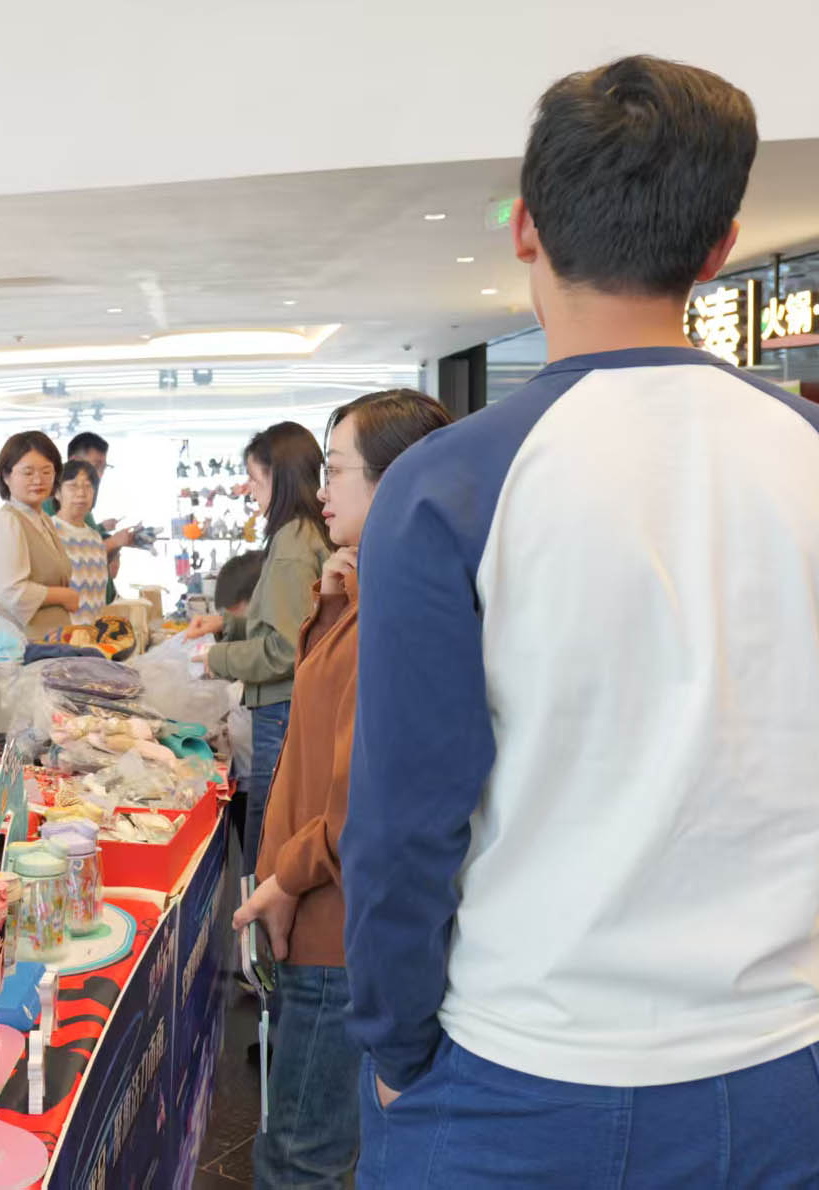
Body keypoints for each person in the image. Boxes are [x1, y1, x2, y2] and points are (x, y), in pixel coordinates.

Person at [342, 57, 819, 1187]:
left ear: (526, 227)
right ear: (719, 249)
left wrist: (396, 1038)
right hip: (777, 1072)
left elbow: (405, 817)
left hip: (513, 1066)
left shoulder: (449, 486)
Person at [232, 390, 451, 1189]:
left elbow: (367, 788)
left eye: (338, 471)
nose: (323, 491)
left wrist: (289, 877)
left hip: (338, 918)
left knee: (303, 1154)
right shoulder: (366, 590)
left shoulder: (401, 607)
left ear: (396, 480)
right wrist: (331, 601)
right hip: (323, 904)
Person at [185, 422, 330, 872]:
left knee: (267, 833)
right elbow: (288, 620)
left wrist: (217, 658)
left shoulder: (291, 545)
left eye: (255, 478)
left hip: (281, 709)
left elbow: (284, 648)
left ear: (279, 477)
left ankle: (259, 915)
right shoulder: (303, 533)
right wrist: (227, 625)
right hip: (292, 704)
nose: (250, 489)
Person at [0, 430, 79, 638]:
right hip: (25, 643)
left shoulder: (43, 519)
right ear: (6, 476)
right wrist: (62, 595)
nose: (38, 480)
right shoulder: (7, 521)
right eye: (28, 473)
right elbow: (11, 591)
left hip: (54, 639)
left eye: (46, 472)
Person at [50, 431, 132, 602]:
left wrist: (115, 547)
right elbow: (72, 563)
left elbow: (93, 556)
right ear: (57, 492)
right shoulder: (48, 528)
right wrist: (114, 542)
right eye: (96, 466)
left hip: (100, 608)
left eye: (88, 486)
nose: (99, 475)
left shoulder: (89, 527)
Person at [49, 459, 109, 624]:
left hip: (94, 634)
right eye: (73, 486)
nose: (81, 493)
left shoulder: (95, 538)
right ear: (57, 492)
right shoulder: (48, 532)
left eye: (88, 486)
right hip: (61, 635)